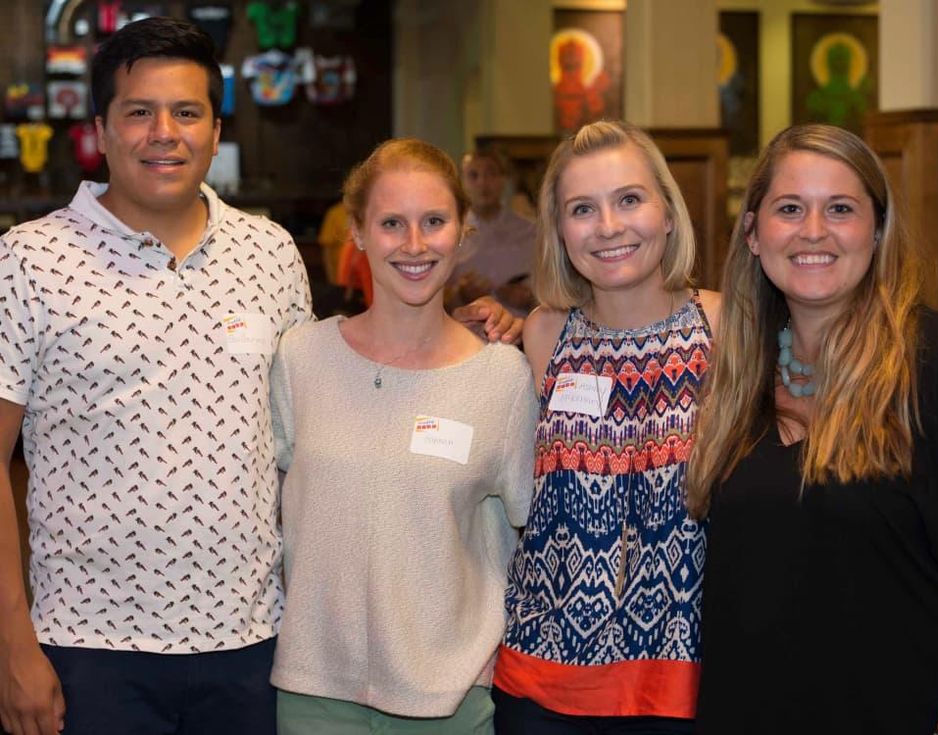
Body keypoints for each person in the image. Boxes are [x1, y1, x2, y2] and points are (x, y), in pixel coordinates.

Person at [0, 17, 519, 735]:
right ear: (100, 128)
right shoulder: (28, 262)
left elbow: (321, 417)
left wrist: (493, 327)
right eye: (138, 111)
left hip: (253, 645)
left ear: (215, 131)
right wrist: (11, 644)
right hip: (88, 644)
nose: (164, 131)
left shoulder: (270, 253)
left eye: (187, 112)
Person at [688, 124, 938, 735]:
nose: (813, 231)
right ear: (753, 232)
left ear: (876, 229)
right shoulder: (735, 369)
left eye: (840, 209)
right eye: (789, 208)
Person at [269, 138, 538, 733]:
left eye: (434, 222)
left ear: (463, 230)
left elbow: (532, 534)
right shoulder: (300, 359)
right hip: (316, 692)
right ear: (358, 232)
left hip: (450, 699)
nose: (414, 245)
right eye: (392, 223)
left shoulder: (503, 378)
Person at [493, 120, 721, 734]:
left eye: (629, 199)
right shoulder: (544, 333)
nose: (609, 227)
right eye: (582, 209)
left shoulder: (726, 326)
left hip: (686, 682)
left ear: (669, 213)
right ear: (560, 231)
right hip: (544, 677)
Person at [450, 149, 537, 314]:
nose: (483, 182)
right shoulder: (449, 234)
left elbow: (553, 292)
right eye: (473, 175)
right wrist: (459, 295)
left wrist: (530, 298)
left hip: (519, 331)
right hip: (466, 333)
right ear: (461, 182)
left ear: (504, 179)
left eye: (491, 173)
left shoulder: (531, 232)